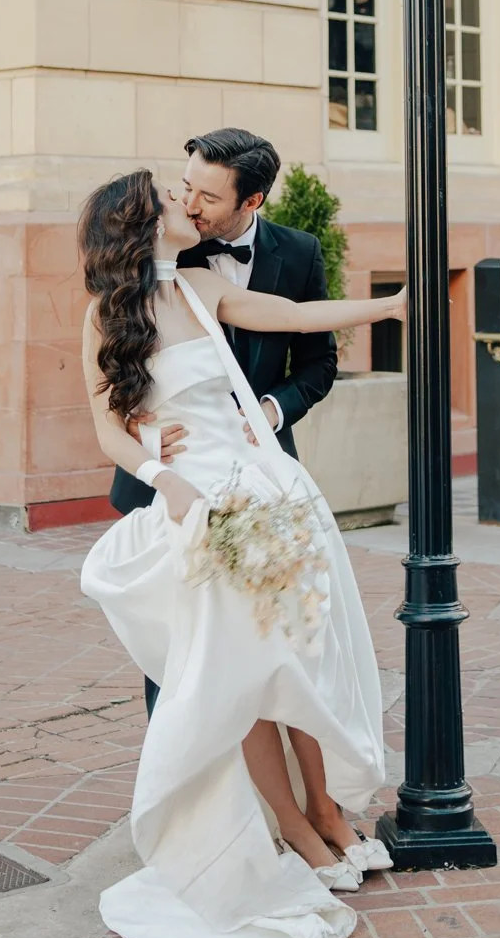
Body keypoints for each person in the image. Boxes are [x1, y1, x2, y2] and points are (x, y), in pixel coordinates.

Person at [78, 167, 406, 938]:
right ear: (140, 224)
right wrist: (165, 475)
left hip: (267, 489)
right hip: (202, 506)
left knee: (295, 654)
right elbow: (107, 429)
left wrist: (392, 307)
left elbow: (295, 316)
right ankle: (293, 830)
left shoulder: (200, 288)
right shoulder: (104, 315)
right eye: (169, 201)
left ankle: (320, 813)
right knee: (240, 675)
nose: (185, 206)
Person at [107, 129, 340, 717]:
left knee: (269, 634)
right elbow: (111, 351)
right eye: (186, 187)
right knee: (176, 644)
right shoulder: (164, 242)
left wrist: (271, 408)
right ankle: (180, 775)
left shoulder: (302, 253)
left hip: (259, 477)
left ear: (251, 201)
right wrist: (136, 422)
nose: (189, 205)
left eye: (208, 197)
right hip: (171, 476)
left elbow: (319, 362)